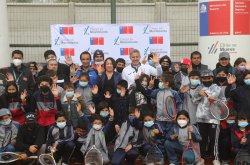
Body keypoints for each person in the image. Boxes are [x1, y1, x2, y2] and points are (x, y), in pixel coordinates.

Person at [193, 69, 226, 165]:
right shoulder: (198, 88)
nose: (207, 80)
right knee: (201, 140)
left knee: (214, 140)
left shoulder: (218, 89)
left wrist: (215, 100)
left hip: (214, 118)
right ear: (201, 79)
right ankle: (201, 158)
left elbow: (224, 102)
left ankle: (216, 158)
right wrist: (199, 95)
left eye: (209, 78)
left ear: (213, 78)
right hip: (200, 118)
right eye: (204, 78)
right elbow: (194, 101)